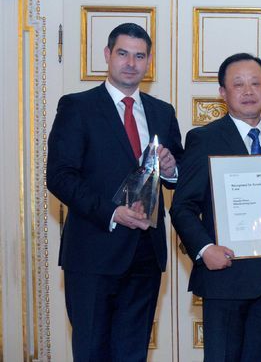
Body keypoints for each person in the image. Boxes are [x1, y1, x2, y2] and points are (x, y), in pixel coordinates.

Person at [170, 53, 261, 362]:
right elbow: (182, 207)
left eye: (256, 83)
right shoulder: (204, 139)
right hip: (224, 277)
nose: (248, 91)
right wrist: (204, 249)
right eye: (238, 84)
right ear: (223, 93)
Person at [47, 22, 183, 361]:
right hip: (93, 253)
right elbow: (60, 176)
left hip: (146, 254)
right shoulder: (77, 106)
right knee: (92, 351)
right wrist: (111, 212)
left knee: (133, 353)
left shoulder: (162, 112)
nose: (131, 63)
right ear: (107, 55)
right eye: (123, 53)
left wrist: (171, 170)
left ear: (148, 61)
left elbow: (177, 171)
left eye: (139, 56)